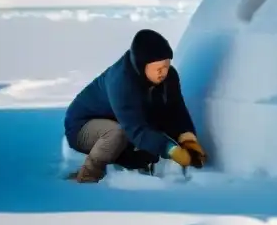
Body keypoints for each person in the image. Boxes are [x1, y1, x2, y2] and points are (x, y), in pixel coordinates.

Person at [63, 28, 208, 183]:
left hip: (122, 123)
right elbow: (135, 129)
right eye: (158, 68)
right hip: (82, 127)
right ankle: (87, 178)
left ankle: (133, 166)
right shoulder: (121, 82)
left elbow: (175, 111)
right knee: (116, 134)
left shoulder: (167, 77)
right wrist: (172, 150)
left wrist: (188, 139)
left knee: (146, 145)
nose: (164, 72)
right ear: (141, 65)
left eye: (166, 66)